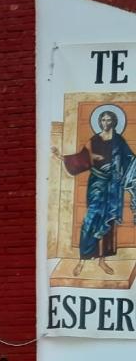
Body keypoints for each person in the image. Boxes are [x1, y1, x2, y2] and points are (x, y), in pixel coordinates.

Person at [58, 109, 136, 277]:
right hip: (97, 184)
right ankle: (82, 260)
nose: (105, 123)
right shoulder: (93, 140)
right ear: (100, 122)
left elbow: (130, 159)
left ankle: (102, 261)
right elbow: (81, 159)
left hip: (113, 186)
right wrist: (62, 158)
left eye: (109, 120)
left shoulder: (119, 141)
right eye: (103, 120)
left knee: (108, 223)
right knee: (90, 219)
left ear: (114, 122)